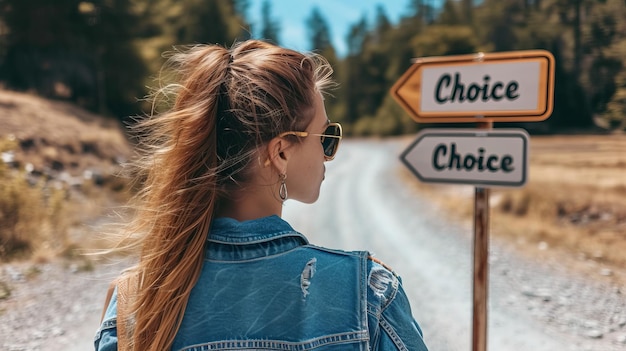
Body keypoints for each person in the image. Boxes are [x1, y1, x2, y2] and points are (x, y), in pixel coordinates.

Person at [95, 39, 429, 351]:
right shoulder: (368, 293)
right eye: (325, 135)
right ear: (281, 152)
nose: (329, 152)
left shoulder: (135, 301)